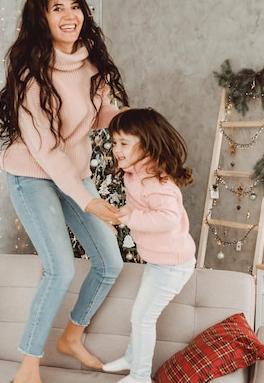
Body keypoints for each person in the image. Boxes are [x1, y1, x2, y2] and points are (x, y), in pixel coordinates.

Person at [0, 0, 129, 383]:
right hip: (31, 174)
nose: (69, 16)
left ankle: (72, 337)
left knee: (110, 264)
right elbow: (46, 151)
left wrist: (133, 123)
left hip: (73, 173)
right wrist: (88, 202)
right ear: (42, 19)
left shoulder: (93, 67)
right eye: (57, 9)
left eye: (74, 6)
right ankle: (28, 367)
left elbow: (103, 118)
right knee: (61, 269)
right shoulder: (31, 76)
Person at [102, 108, 197, 383]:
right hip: (159, 261)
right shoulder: (133, 174)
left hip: (173, 265)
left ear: (146, 144)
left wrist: (132, 217)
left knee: (143, 317)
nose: (116, 149)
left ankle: (140, 376)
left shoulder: (155, 180)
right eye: (114, 142)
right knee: (139, 314)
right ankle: (133, 358)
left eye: (124, 143)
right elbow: (139, 209)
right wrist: (122, 215)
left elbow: (167, 219)